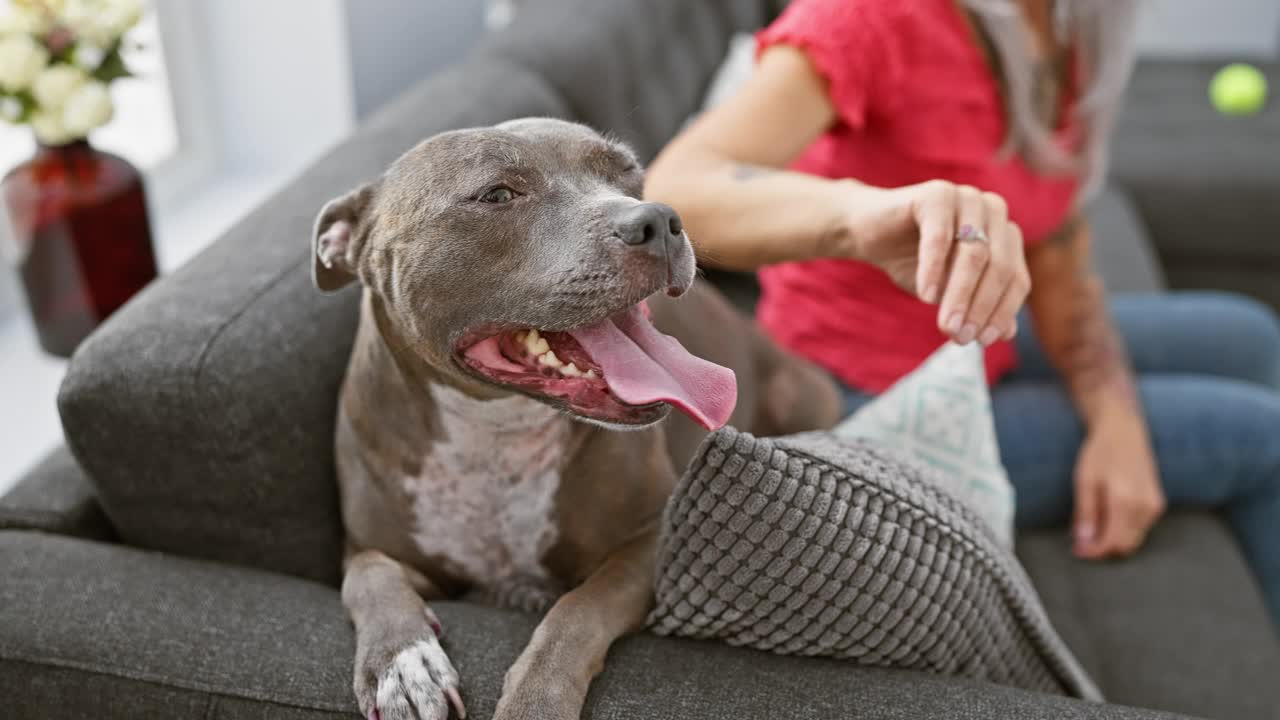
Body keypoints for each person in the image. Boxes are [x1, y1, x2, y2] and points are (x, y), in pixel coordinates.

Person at [645, 0, 1280, 628]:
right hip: (865, 399)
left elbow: (1055, 241)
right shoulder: (870, 16)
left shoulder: (1059, 28)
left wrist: (1113, 413)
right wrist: (857, 219)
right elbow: (681, 192)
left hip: (972, 345)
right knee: (1265, 435)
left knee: (1249, 335)